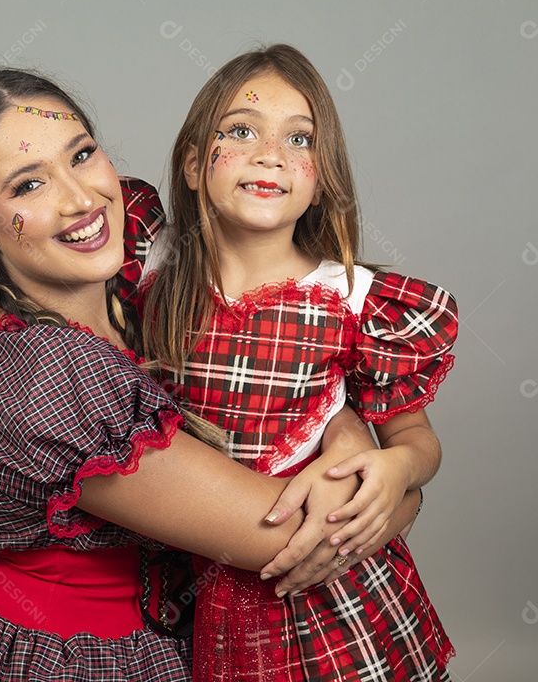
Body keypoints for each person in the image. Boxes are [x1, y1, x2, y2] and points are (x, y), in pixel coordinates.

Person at [0, 69, 423, 682]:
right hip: (56, 654)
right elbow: (287, 538)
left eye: (82, 155)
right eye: (29, 184)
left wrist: (343, 424)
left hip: (152, 628)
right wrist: (405, 491)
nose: (81, 199)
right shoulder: (50, 374)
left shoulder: (132, 283)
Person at [136, 43, 458, 680]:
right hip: (180, 570)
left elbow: (418, 442)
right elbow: (12, 245)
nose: (270, 154)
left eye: (299, 139)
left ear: (321, 180)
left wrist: (395, 468)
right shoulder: (148, 262)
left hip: (319, 598)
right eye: (241, 130)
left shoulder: (356, 302)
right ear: (196, 164)